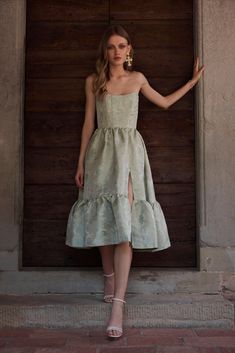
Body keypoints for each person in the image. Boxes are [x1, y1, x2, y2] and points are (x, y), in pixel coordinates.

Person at [65, 25, 204, 340]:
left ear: (130, 50)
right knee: (102, 216)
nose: (117, 51)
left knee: (125, 223)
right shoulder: (94, 81)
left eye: (122, 46)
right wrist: (80, 163)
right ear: (106, 51)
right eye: (112, 46)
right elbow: (88, 124)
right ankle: (109, 276)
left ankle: (118, 304)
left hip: (130, 154)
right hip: (100, 154)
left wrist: (193, 82)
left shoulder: (138, 78)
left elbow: (165, 103)